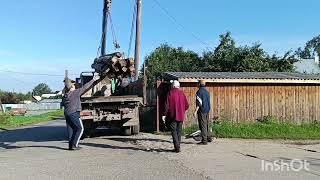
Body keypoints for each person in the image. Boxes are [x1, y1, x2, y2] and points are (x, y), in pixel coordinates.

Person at [61, 75, 99, 150]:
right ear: (71, 87)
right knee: (80, 129)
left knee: (71, 130)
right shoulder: (75, 93)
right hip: (74, 113)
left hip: (67, 114)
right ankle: (75, 145)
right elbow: (85, 87)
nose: (75, 86)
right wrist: (93, 80)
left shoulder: (65, 95)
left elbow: (62, 104)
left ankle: (71, 146)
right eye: (73, 85)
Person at [162, 80, 189, 153]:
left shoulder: (170, 93)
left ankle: (177, 147)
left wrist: (164, 114)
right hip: (180, 116)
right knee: (179, 132)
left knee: (174, 131)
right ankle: (178, 146)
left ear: (173, 86)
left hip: (172, 116)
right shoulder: (182, 94)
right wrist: (182, 110)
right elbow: (187, 105)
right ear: (178, 86)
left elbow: (166, 105)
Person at [194, 80, 212, 145]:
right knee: (207, 124)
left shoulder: (199, 92)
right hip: (207, 110)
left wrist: (195, 111)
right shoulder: (207, 92)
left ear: (199, 84)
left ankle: (204, 141)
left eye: (197, 83)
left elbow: (199, 103)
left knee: (203, 125)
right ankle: (209, 138)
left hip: (202, 110)